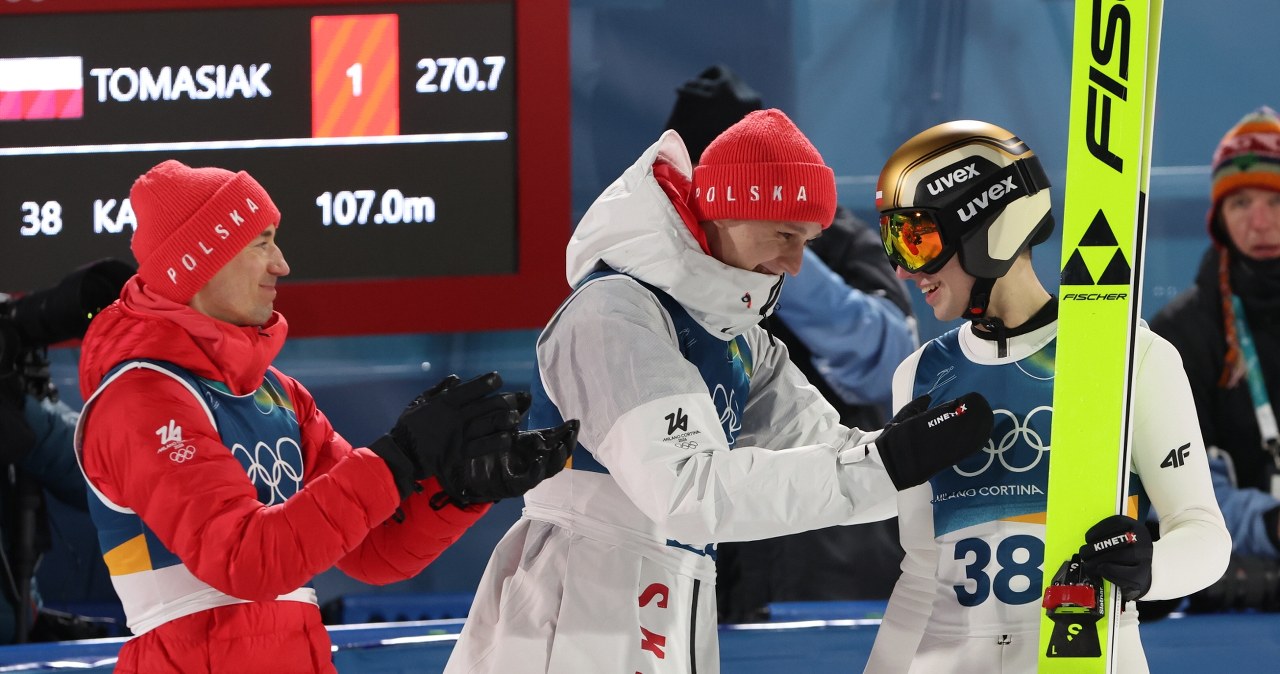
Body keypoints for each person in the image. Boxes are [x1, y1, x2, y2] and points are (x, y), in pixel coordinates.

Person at [444, 109, 996, 674]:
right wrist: (892, 462)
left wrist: (941, 461)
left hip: (670, 583)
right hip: (581, 588)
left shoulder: (738, 337)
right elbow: (686, 492)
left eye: (806, 241)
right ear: (725, 208)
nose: (794, 263)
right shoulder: (613, 311)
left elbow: (830, 451)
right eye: (784, 233)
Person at [73, 160, 578, 674]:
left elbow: (375, 551)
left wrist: (461, 491)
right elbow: (245, 561)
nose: (281, 264)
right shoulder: (141, 398)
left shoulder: (277, 391)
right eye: (262, 242)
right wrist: (398, 456)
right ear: (204, 260)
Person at [863, 120, 1231, 673]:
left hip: (1085, 650)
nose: (901, 267)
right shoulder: (920, 373)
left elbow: (1205, 535)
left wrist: (1150, 567)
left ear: (987, 226)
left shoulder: (1132, 356)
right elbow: (920, 573)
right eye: (893, 241)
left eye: (916, 239)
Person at [663, 64, 917, 621]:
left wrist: (777, 252)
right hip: (696, 550)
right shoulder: (648, 272)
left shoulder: (833, 238)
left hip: (824, 553)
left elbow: (890, 364)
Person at [1150, 105, 1280, 609]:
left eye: (1275, 201)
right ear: (1220, 218)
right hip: (1223, 595)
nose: (1260, 222)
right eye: (1241, 202)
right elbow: (1178, 497)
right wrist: (1271, 525)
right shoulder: (1179, 336)